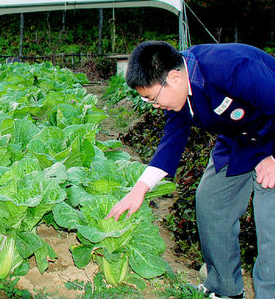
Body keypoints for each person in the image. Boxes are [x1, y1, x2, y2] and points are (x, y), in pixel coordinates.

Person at [107, 41, 275, 299]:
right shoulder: (181, 89)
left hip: (271, 134)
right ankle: (224, 288)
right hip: (238, 138)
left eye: (153, 98)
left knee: (270, 224)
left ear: (173, 78)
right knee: (211, 200)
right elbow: (172, 139)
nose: (154, 106)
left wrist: (271, 155)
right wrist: (139, 189)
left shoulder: (232, 67)